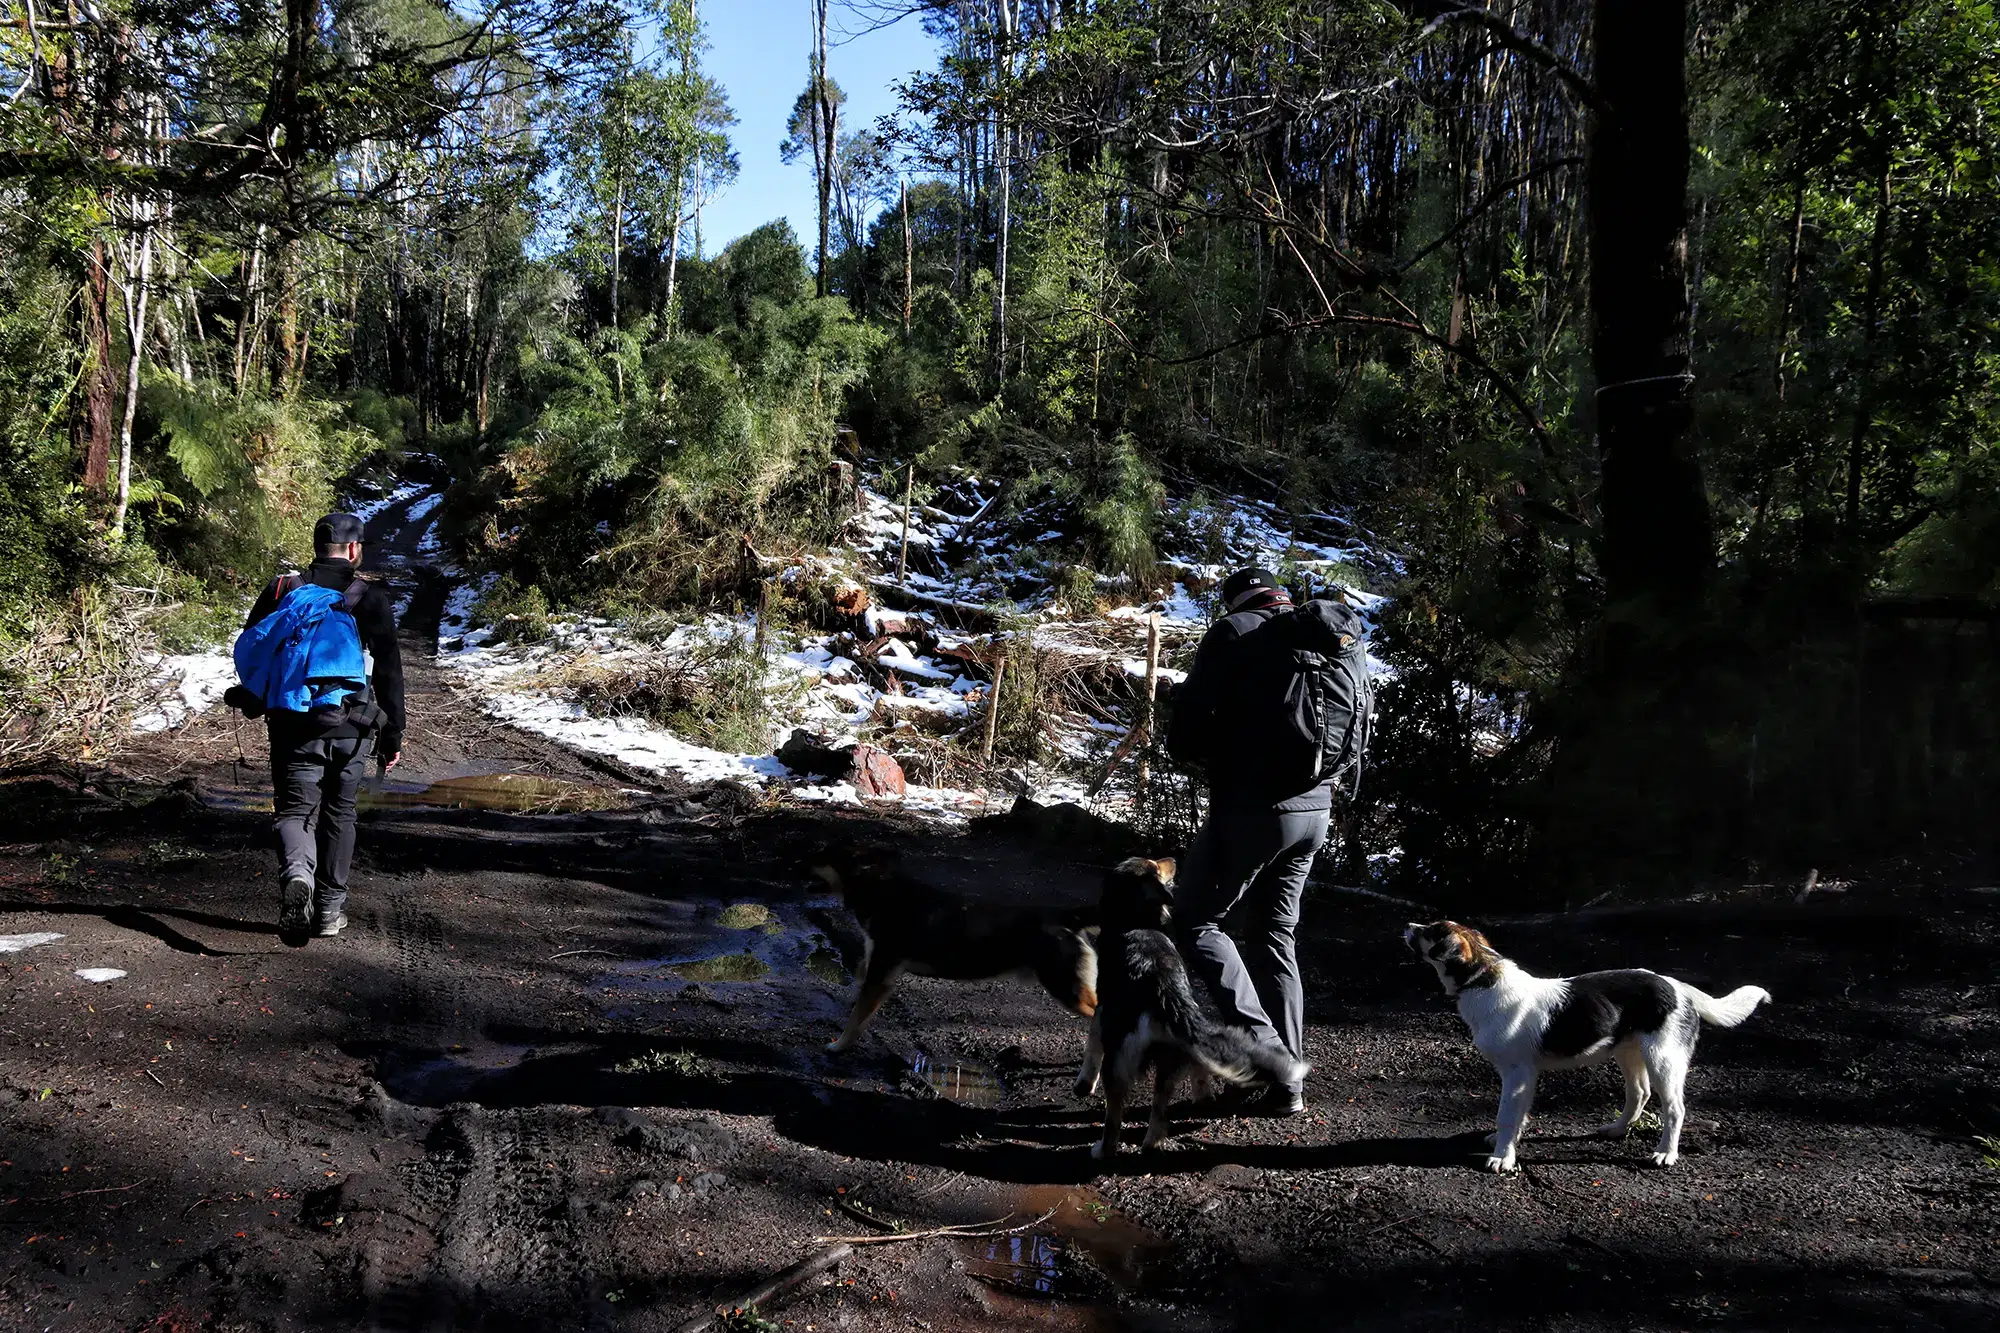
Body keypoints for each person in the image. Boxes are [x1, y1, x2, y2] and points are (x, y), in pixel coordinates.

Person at [1165, 566, 1371, 1116]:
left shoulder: (1235, 633)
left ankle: (1272, 1057)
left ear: (1235, 600)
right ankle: (1288, 1088)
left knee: (1196, 920)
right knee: (1274, 935)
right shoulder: (1334, 633)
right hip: (1316, 810)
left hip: (1252, 811)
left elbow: (1185, 733)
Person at [239, 513, 405, 938]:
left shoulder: (282, 590)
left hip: (293, 723)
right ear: (353, 549)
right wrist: (392, 735)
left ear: (315, 547)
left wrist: (256, 700)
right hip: (352, 726)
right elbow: (389, 671)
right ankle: (329, 912)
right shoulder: (368, 598)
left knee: (295, 811)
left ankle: (299, 877)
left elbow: (255, 652)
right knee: (340, 814)